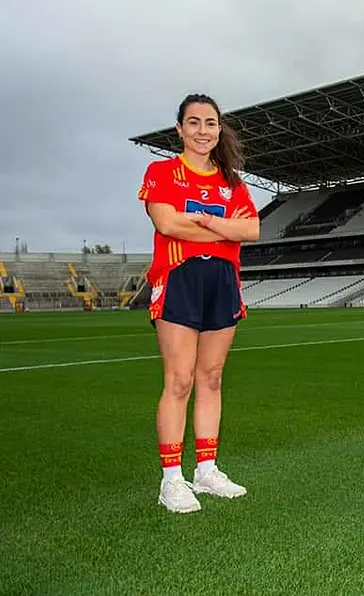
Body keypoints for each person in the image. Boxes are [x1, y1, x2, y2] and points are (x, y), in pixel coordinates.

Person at [137, 93, 261, 512]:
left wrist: (204, 223)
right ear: (180, 129)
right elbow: (166, 222)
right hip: (178, 278)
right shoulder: (162, 171)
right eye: (194, 123)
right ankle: (171, 479)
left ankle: (205, 470)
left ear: (219, 128)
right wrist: (223, 229)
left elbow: (253, 230)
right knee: (180, 381)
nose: (203, 131)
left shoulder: (232, 181)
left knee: (211, 378)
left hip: (223, 280)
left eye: (210, 123)